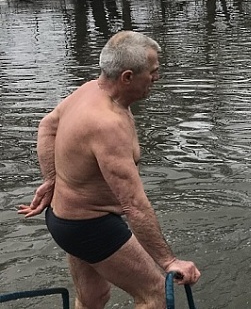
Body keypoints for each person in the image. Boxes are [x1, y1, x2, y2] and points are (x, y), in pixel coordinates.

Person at [17, 31, 201, 308]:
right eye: (152, 72)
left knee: (93, 298)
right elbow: (134, 205)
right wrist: (169, 261)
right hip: (89, 225)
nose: (157, 78)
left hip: (63, 220)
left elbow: (47, 126)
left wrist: (51, 179)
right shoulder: (107, 125)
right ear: (127, 77)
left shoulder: (89, 89)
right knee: (156, 295)